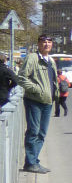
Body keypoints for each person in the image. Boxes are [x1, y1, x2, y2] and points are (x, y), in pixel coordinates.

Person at [18, 34, 58, 173]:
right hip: (34, 100)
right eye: (43, 42)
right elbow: (22, 77)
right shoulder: (33, 58)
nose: (46, 44)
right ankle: (30, 162)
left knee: (42, 133)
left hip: (47, 102)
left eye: (49, 42)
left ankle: (34, 161)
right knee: (33, 132)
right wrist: (37, 90)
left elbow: (53, 80)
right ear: (39, 44)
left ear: (52, 44)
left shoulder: (50, 60)